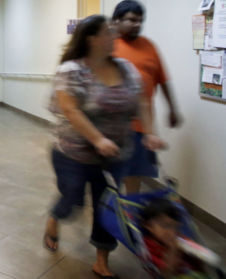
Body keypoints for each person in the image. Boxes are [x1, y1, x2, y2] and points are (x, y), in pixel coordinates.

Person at [43, 15, 166, 279]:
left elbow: (141, 101)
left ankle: (101, 261)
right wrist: (97, 139)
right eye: (108, 33)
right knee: (72, 200)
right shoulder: (71, 70)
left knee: (106, 205)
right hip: (71, 152)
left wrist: (150, 132)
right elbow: (70, 109)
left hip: (113, 155)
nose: (114, 38)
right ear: (92, 40)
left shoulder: (125, 68)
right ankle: (54, 218)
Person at [112, 0, 181, 194]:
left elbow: (163, 80)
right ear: (116, 20)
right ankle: (109, 211)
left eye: (140, 21)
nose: (137, 25)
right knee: (111, 175)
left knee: (135, 171)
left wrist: (173, 109)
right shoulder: (107, 47)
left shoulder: (149, 46)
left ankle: (130, 210)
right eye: (131, 20)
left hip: (142, 125)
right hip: (112, 125)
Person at [141, 199, 207, 278]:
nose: (172, 232)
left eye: (175, 227)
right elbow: (164, 274)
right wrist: (173, 250)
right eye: (165, 226)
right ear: (149, 226)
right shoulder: (148, 246)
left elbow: (198, 264)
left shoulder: (178, 237)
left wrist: (195, 253)